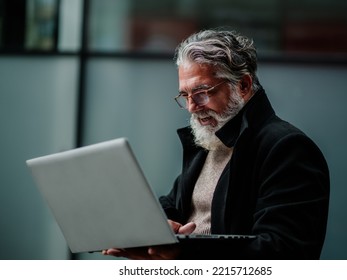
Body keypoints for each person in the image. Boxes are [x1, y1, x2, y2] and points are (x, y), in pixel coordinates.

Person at [102, 28, 330, 260]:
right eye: (186, 95)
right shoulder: (208, 141)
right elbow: (171, 205)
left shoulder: (287, 148)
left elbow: (282, 252)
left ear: (243, 85)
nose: (192, 106)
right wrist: (144, 232)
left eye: (202, 92)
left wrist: (184, 253)